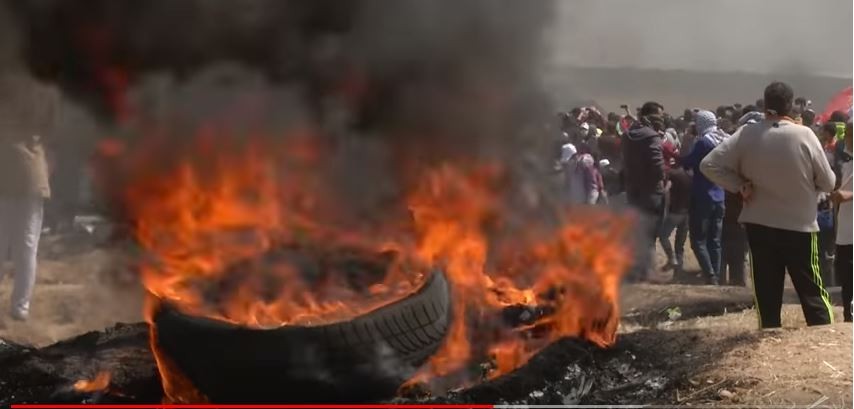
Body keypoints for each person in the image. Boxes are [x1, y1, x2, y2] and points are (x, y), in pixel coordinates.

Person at [701, 81, 836, 328]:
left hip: (759, 225)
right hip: (800, 226)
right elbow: (828, 182)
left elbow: (708, 165)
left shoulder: (747, 134)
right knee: (812, 290)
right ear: (791, 106)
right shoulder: (804, 134)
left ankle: (769, 332)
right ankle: (823, 333)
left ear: (766, 104)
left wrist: (739, 185)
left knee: (766, 290)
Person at [0, 132, 51, 321]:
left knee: (16, 246)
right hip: (31, 176)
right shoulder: (40, 104)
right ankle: (21, 307)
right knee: (26, 247)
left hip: (11, 176)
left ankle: (21, 307)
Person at [621, 101, 667, 282]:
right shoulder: (651, 136)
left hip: (633, 191)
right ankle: (647, 273)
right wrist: (663, 180)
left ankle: (638, 271)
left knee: (638, 232)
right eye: (660, 117)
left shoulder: (627, 135)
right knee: (650, 235)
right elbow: (657, 166)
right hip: (652, 192)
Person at [682, 110, 727, 285]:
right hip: (720, 194)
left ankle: (710, 276)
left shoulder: (704, 142)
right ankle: (715, 272)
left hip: (703, 194)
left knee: (698, 239)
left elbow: (688, 162)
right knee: (714, 239)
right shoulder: (723, 138)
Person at [830, 121, 852, 322]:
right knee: (846, 275)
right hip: (846, 230)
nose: (848, 139)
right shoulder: (847, 164)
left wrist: (850, 195)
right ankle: (848, 316)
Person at [659, 162, 691, 275]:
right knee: (680, 243)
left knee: (663, 235)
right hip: (687, 213)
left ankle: (672, 259)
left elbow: (667, 189)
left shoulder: (672, 175)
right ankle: (678, 271)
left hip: (675, 212)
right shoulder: (689, 174)